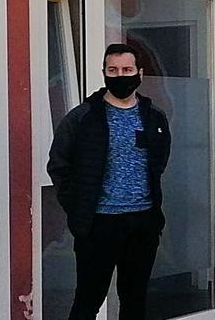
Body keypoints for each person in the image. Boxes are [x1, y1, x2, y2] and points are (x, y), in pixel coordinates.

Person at [47, 43, 172, 320]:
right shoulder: (82, 118)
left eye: (127, 70)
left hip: (142, 222)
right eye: (113, 70)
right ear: (103, 73)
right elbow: (58, 164)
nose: (120, 76)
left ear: (139, 73)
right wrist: (78, 207)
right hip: (98, 224)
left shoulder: (154, 117)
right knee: (88, 300)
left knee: (135, 299)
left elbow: (159, 161)